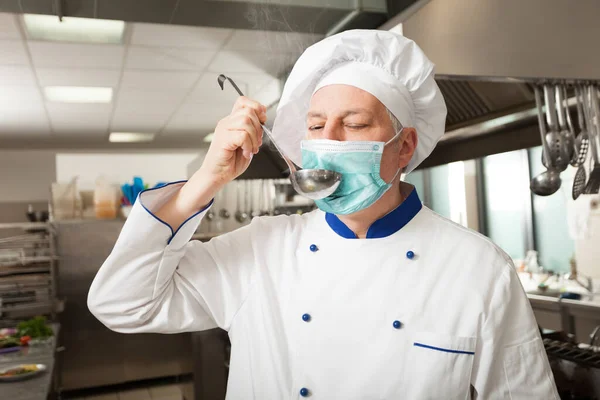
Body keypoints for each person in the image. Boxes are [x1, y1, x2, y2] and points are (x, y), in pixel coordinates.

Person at [88, 30, 559, 399]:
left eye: (353, 124)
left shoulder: (478, 267)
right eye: (316, 127)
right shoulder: (261, 248)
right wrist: (202, 184)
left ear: (404, 148)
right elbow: (121, 303)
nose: (329, 142)